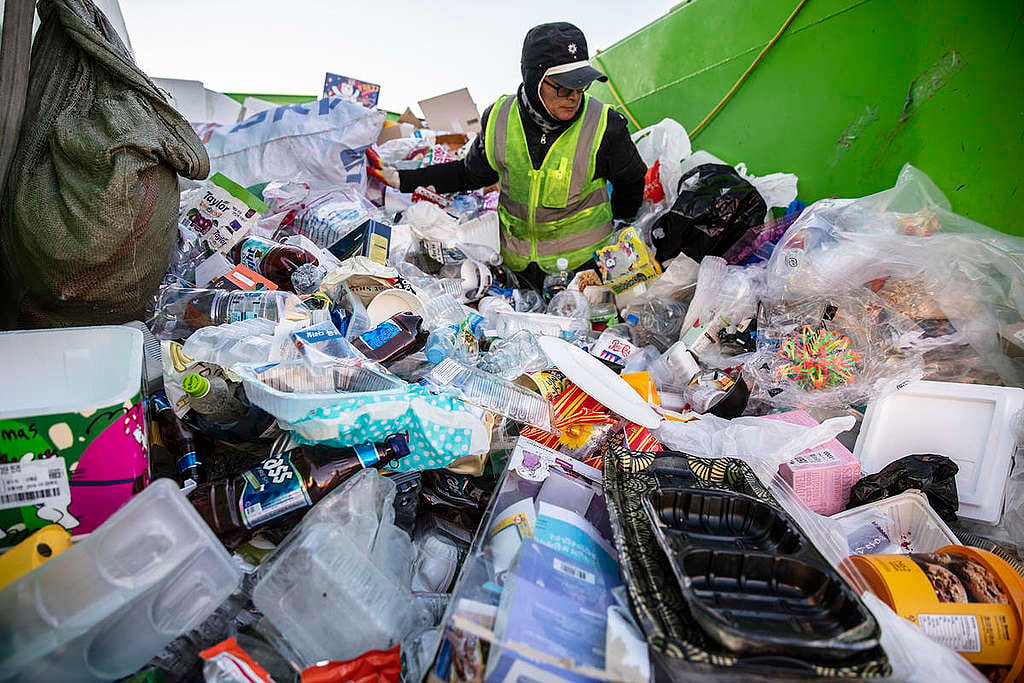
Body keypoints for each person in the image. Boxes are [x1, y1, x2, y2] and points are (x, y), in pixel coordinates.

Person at [376, 22, 647, 290]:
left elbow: (631, 182)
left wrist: (616, 241)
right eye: (564, 88)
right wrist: (400, 179)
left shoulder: (605, 125)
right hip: (518, 271)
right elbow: (468, 174)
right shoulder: (499, 119)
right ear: (533, 79)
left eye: (581, 86)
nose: (574, 97)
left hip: (583, 272)